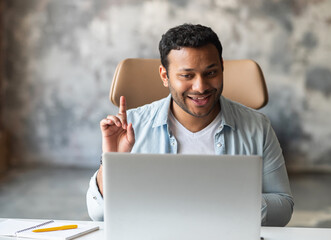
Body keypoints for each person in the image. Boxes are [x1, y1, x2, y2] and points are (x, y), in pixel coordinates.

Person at [86, 23, 294, 226]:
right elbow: (98, 213)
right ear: (165, 76)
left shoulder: (258, 127)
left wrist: (228, 204)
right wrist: (111, 160)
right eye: (187, 75)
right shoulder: (130, 127)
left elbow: (283, 207)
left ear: (222, 68)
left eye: (211, 73)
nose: (200, 87)